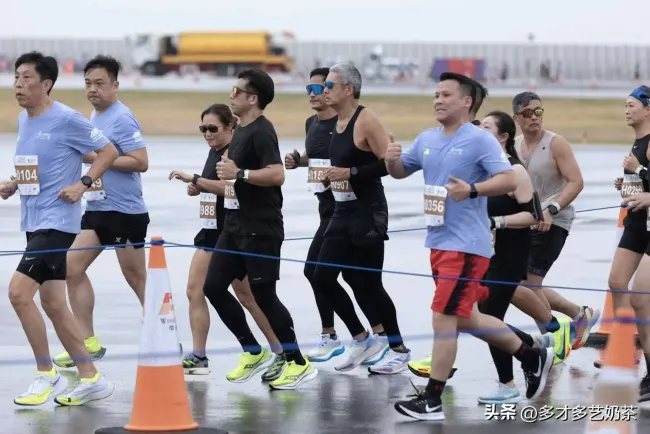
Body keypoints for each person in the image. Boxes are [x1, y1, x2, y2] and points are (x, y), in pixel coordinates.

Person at [387, 72, 553, 421]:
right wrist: (391, 158)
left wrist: (473, 190)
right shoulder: (427, 137)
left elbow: (510, 178)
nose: (438, 100)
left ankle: (432, 398)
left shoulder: (479, 140)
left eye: (446, 94)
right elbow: (402, 170)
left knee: (444, 318)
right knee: (468, 318)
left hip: (467, 246)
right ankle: (529, 354)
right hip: (437, 242)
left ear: (466, 102)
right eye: (436, 94)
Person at [2, 51, 118, 406]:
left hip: (57, 223)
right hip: (33, 220)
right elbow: (38, 165)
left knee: (19, 294)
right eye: (16, 77)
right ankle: (91, 378)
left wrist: (83, 184)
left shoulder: (68, 119)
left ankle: (46, 373)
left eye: (26, 78)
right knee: (53, 303)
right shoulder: (25, 120)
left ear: (46, 84)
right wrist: (15, 184)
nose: (18, 84)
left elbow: (109, 152)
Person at [203, 68, 317, 390]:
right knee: (212, 286)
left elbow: (277, 174)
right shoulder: (240, 130)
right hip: (236, 227)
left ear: (252, 99)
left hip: (260, 228)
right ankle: (253, 351)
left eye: (237, 91)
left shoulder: (262, 131)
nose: (231, 95)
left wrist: (239, 174)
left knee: (265, 296)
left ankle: (298, 361)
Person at [306, 63, 411, 374]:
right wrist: (328, 176)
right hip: (342, 211)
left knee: (368, 283)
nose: (324, 91)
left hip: (369, 211)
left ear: (348, 89)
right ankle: (361, 337)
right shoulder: (336, 122)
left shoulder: (366, 119)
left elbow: (387, 166)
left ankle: (398, 347)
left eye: (329, 86)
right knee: (321, 276)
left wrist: (349, 172)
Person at [168, 103, 285, 382]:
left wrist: (197, 179)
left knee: (250, 296)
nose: (207, 133)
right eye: (203, 128)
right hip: (211, 231)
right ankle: (199, 355)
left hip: (231, 232)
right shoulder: (215, 152)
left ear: (231, 128)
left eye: (213, 128)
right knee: (196, 290)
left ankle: (279, 352)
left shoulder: (236, 153)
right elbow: (213, 186)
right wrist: (197, 188)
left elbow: (230, 187)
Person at [50, 55, 150, 368]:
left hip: (125, 212)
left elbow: (141, 162)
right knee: (70, 266)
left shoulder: (121, 117)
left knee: (137, 278)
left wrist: (98, 159)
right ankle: (87, 341)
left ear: (116, 85)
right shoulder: (93, 116)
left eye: (100, 83)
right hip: (96, 208)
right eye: (88, 84)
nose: (93, 90)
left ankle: (163, 336)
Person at [284, 67, 388, 367]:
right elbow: (321, 160)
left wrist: (350, 173)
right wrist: (299, 161)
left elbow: (367, 161)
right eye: (312, 89)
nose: (316, 94)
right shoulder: (313, 124)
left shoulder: (352, 122)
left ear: (342, 90)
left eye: (321, 88)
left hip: (354, 210)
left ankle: (380, 340)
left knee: (358, 279)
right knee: (323, 274)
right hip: (330, 209)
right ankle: (352, 336)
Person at [511, 91, 600, 355]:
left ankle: (552, 339)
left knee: (529, 284)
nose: (534, 118)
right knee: (519, 282)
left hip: (554, 221)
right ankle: (577, 314)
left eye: (538, 111)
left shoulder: (556, 144)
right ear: (517, 118)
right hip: (526, 223)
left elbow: (576, 182)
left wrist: (552, 209)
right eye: (527, 113)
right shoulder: (514, 146)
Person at [476, 110, 548, 404]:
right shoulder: (484, 170)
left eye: (487, 127)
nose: (480, 131)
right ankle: (529, 346)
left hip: (509, 256)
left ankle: (508, 384)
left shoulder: (514, 171)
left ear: (503, 137)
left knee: (488, 318)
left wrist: (498, 223)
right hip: (483, 255)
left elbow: (533, 215)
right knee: (476, 318)